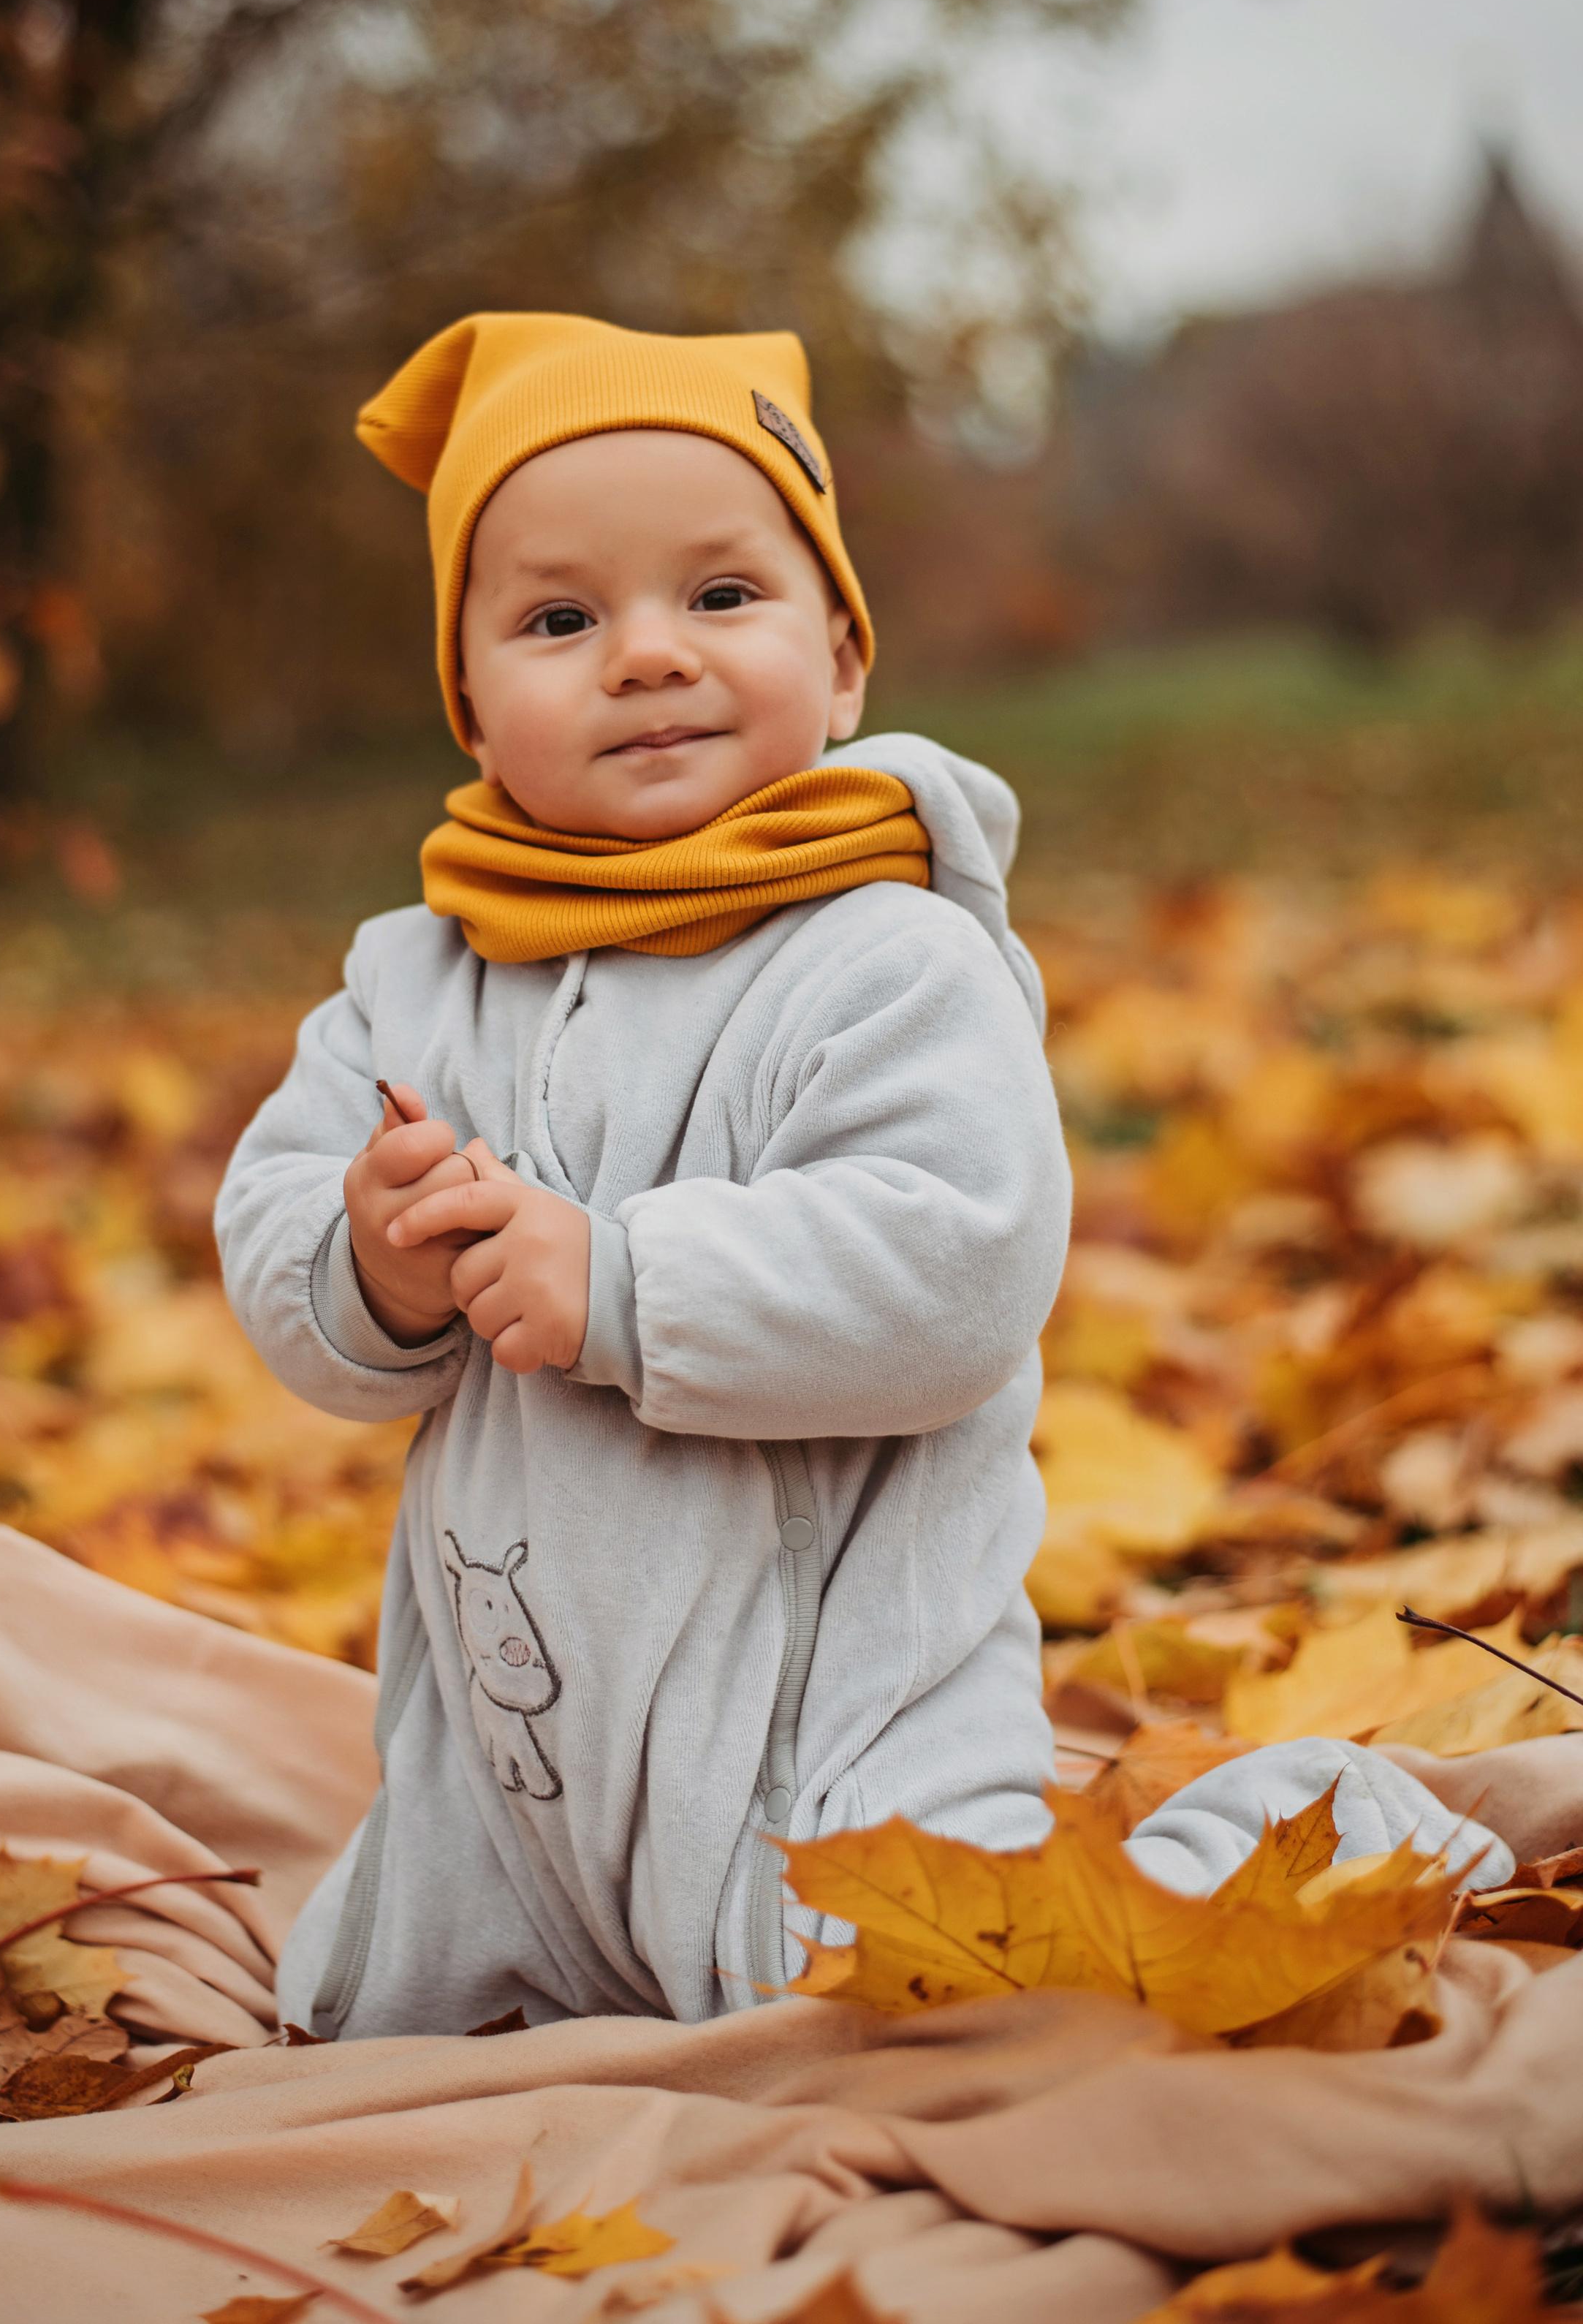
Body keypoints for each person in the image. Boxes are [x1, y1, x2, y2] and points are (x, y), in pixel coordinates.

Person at [216, 311, 1510, 2042]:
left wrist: (620, 1285)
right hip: (507, 1769)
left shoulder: (886, 955)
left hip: (838, 1755)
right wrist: (366, 1266)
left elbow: (956, 1264)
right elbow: (274, 1227)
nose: (646, 656)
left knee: (949, 2006)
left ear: (841, 662)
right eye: (557, 618)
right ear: (468, 705)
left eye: (720, 597)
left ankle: (1313, 1833)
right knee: (349, 2022)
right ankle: (492, 1973)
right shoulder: (413, 983)